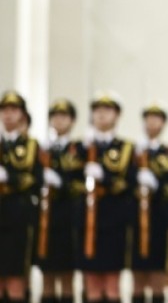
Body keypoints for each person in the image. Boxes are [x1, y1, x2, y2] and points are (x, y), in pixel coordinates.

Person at [76, 93, 137, 303]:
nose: (101, 115)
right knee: (90, 281)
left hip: (114, 220)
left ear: (117, 115)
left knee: (112, 282)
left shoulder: (126, 148)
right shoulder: (81, 148)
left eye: (107, 110)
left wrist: (106, 178)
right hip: (86, 222)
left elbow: (130, 182)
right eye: (97, 110)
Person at [132, 103, 168, 303]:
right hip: (136, 218)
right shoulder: (133, 151)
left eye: (157, 118)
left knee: (158, 271)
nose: (152, 122)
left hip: (160, 217)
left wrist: (157, 185)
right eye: (149, 118)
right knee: (137, 271)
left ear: (163, 123)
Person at [35, 99, 85, 303]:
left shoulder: (79, 149)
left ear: (72, 121)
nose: (59, 120)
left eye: (64, 116)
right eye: (55, 116)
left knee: (66, 275)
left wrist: (61, 182)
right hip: (46, 218)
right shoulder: (42, 149)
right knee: (46, 274)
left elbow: (81, 182)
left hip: (69, 216)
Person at [0, 91, 42, 303]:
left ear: (22, 115)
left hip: (18, 216)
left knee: (16, 277)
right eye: (4, 110)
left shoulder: (32, 146)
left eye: (13, 110)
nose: (8, 115)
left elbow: (36, 180)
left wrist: (10, 178)